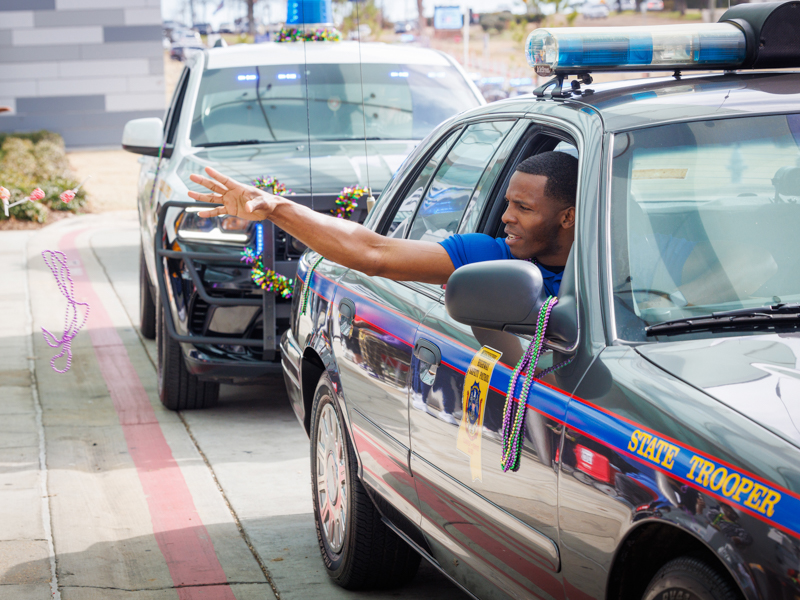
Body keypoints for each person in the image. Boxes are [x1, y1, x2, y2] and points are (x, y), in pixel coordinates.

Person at [190, 151, 578, 295]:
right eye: (507, 203)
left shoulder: (622, 269)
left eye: (523, 208)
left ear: (568, 217)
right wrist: (276, 208)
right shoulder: (491, 257)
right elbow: (373, 251)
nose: (506, 216)